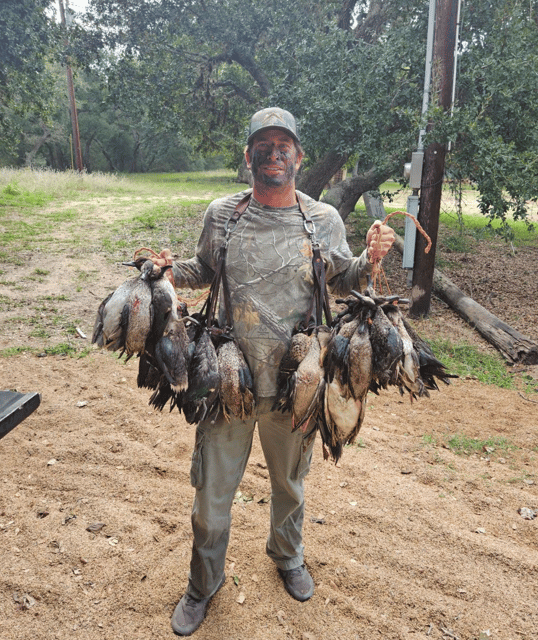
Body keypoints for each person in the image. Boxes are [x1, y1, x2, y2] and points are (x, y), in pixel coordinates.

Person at [160, 107, 395, 636]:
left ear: (299, 155)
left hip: (298, 380)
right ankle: (203, 583)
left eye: (283, 143)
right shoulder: (223, 214)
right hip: (228, 378)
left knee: (290, 482)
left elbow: (342, 278)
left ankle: (287, 556)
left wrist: (371, 259)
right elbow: (204, 267)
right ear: (248, 156)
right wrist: (171, 271)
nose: (273, 152)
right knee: (211, 493)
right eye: (262, 144)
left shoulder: (322, 219)